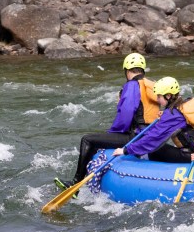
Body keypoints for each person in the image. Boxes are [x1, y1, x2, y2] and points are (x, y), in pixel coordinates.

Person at [55, 53, 160, 189]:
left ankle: (75, 184)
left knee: (88, 140)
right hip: (149, 136)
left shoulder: (132, 85)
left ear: (127, 70)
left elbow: (126, 112)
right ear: (142, 70)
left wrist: (113, 132)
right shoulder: (151, 85)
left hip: (136, 137)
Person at [112, 77, 194, 162]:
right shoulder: (184, 103)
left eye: (159, 96)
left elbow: (153, 138)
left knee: (155, 150)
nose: (157, 99)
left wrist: (126, 150)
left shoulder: (173, 114)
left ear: (168, 96)